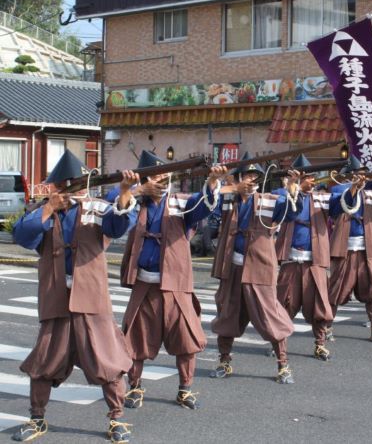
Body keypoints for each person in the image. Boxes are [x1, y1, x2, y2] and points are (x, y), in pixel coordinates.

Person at [12, 150, 137, 443]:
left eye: (78, 185)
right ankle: (37, 418)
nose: (74, 190)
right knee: (44, 361)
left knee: (107, 361)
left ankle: (117, 419)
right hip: (56, 297)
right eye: (66, 185)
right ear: (56, 186)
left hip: (91, 298)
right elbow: (22, 235)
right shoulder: (45, 209)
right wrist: (48, 209)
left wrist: (124, 194)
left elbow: (118, 226)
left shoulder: (97, 207)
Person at [112, 150, 226, 412]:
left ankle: (184, 389)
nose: (160, 180)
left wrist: (211, 184)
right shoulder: (134, 200)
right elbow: (113, 210)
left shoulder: (179, 202)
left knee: (186, 341)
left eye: (164, 175)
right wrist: (134, 190)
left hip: (175, 284)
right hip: (143, 283)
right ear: (144, 180)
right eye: (153, 176)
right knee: (135, 341)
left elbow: (202, 205)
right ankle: (136, 387)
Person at [210, 152, 298, 384]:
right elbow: (209, 199)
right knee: (227, 314)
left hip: (259, 268)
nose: (251, 181)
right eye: (247, 176)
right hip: (233, 267)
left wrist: (290, 189)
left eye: (254, 177)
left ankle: (283, 365)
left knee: (271, 315)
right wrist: (230, 185)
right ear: (238, 178)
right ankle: (224, 361)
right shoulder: (228, 200)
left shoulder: (269, 200)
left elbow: (289, 213)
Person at [275, 155, 334, 361]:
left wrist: (353, 188)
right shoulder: (283, 195)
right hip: (291, 260)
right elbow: (279, 209)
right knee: (283, 305)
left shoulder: (322, 197)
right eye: (308, 177)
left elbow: (342, 203)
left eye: (313, 177)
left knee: (319, 304)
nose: (313, 180)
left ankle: (320, 345)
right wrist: (292, 188)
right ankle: (279, 345)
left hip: (313, 260)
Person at [327, 156, 372, 344]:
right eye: (358, 173)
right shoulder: (338, 190)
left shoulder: (371, 192)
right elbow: (340, 207)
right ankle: (327, 326)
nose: (362, 177)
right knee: (335, 290)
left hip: (366, 249)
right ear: (350, 176)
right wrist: (354, 188)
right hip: (345, 248)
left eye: (363, 174)